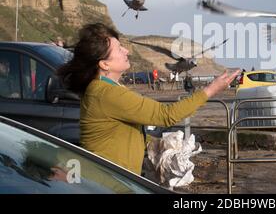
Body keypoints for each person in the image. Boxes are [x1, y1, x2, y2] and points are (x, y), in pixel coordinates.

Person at [57, 23, 239, 175]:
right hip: (109, 182)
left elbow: (116, 134)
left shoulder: (103, 88)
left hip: (111, 178)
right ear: (104, 64)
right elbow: (166, 115)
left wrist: (157, 144)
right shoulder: (106, 93)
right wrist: (212, 89)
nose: (127, 51)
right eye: (119, 49)